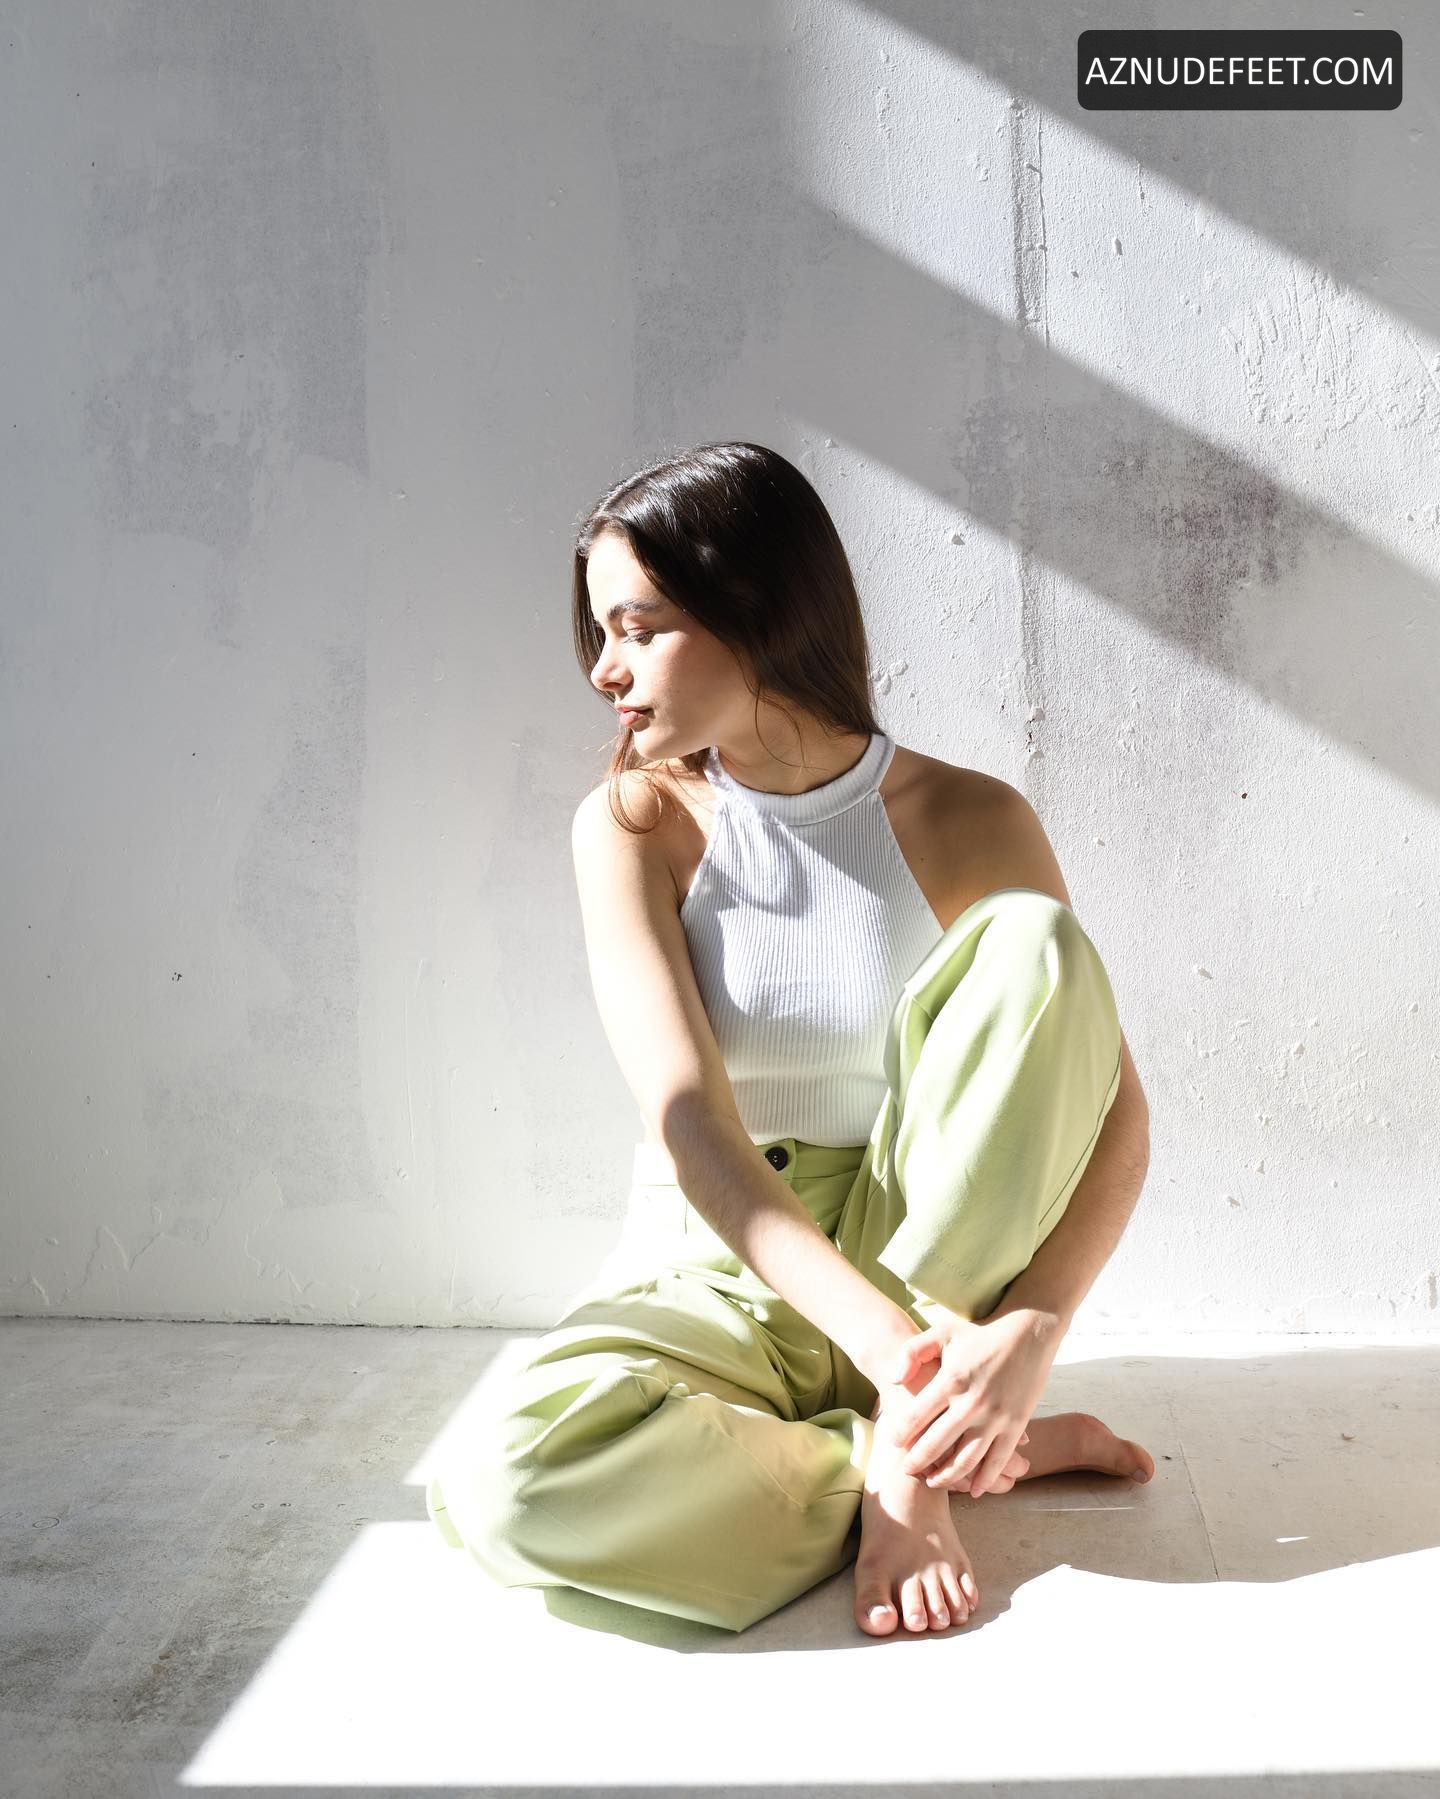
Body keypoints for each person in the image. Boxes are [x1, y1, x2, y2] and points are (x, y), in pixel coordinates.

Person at [426, 440, 1154, 1638]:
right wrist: (906, 1379)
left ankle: (929, 1443)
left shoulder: (970, 815)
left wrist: (1029, 1332)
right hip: (722, 1260)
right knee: (511, 1481)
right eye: (600, 632)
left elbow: (1113, 1108)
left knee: (1036, 941)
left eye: (638, 627)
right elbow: (692, 1123)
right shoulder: (635, 825)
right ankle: (925, 1450)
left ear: (756, 611)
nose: (605, 668)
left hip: (928, 1255)